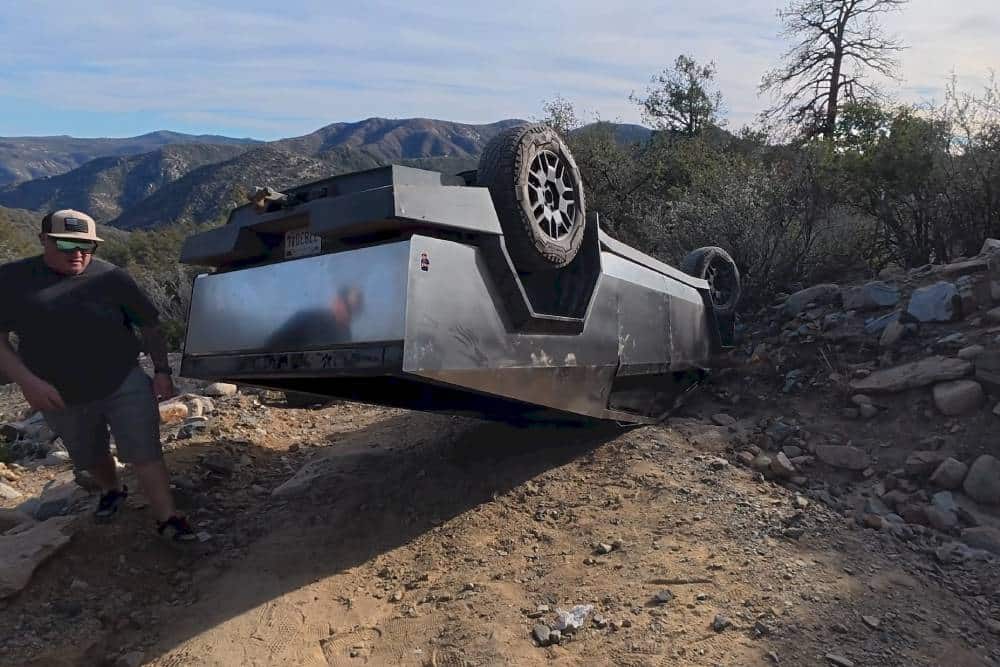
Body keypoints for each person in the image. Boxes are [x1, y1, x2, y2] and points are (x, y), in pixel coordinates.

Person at [0, 209, 196, 542]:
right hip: (56, 390)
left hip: (121, 379)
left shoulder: (112, 278)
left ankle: (167, 517)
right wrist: (26, 381)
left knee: (145, 449)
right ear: (44, 240)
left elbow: (149, 324)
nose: (78, 253)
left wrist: (162, 371)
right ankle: (111, 489)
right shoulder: (13, 280)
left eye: (88, 246)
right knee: (89, 453)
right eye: (66, 243)